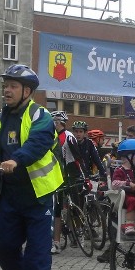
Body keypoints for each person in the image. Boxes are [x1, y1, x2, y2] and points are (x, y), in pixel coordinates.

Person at [0, 64, 63, 270]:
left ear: (27, 91)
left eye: (13, 86)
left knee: (38, 249)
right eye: (5, 85)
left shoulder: (40, 115)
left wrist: (17, 159)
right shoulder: (1, 118)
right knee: (2, 245)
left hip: (38, 193)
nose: (7, 90)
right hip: (9, 194)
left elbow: (38, 143)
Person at [49, 110, 84, 256]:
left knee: (76, 207)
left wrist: (83, 176)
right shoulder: (52, 137)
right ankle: (56, 243)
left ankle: (81, 234)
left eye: (54, 122)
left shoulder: (69, 137)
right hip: (58, 178)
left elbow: (77, 158)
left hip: (72, 176)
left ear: (58, 122)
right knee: (57, 209)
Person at [110, 138, 135, 240]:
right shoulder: (119, 170)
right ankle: (128, 225)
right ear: (128, 157)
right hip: (127, 196)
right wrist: (128, 183)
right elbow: (114, 184)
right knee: (133, 201)